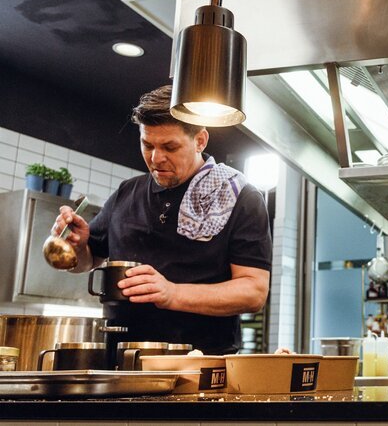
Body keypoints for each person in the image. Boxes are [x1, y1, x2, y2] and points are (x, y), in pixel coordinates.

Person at [52, 85, 272, 355]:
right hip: (118, 361)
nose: (156, 158)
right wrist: (77, 247)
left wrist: (172, 294)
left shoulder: (239, 197)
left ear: (200, 140)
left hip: (200, 366)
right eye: (147, 145)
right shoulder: (126, 192)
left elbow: (253, 292)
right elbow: (89, 261)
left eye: (170, 146)